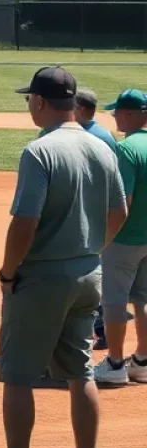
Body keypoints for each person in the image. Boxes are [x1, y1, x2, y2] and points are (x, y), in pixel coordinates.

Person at [0, 66, 126, 448]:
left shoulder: (39, 152)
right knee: (81, 372)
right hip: (87, 274)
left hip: (41, 276)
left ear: (39, 102)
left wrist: (8, 272)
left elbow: (25, 222)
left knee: (18, 375)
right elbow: (118, 212)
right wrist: (92, 248)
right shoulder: (102, 147)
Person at [93, 89, 147, 386]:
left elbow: (122, 203)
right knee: (144, 299)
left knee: (114, 301)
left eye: (118, 112)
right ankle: (142, 362)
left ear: (133, 113)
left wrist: (104, 240)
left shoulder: (128, 150)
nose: (114, 117)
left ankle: (115, 364)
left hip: (126, 239)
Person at [74, 89, 118, 350]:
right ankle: (103, 330)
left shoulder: (87, 137)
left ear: (80, 108)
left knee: (89, 272)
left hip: (89, 215)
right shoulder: (106, 135)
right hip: (104, 213)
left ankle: (96, 330)